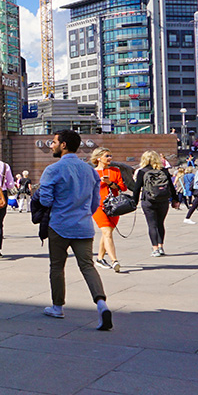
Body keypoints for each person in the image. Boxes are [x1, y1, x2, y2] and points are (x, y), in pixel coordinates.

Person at [38, 129, 113, 331]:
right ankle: (101, 304)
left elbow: (45, 199)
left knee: (57, 267)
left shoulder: (53, 170)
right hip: (83, 226)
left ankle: (57, 306)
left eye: (53, 142)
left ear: (63, 145)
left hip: (60, 225)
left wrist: (58, 205)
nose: (51, 145)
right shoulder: (89, 170)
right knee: (88, 266)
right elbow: (95, 201)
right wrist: (83, 213)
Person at [89, 147, 126, 272]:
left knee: (107, 233)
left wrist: (110, 183)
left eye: (110, 156)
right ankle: (114, 260)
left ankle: (99, 258)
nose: (109, 158)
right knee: (107, 232)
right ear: (98, 158)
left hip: (114, 206)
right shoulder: (92, 173)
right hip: (98, 206)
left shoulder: (115, 171)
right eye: (107, 156)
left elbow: (122, 187)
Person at [135, 151, 178, 257]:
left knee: (152, 225)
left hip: (148, 201)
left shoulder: (142, 171)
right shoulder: (163, 171)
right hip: (163, 201)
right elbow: (171, 186)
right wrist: (175, 199)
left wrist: (134, 202)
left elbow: (137, 189)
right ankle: (161, 247)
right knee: (160, 224)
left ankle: (155, 249)